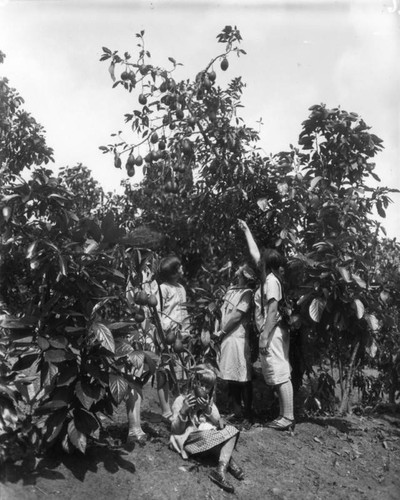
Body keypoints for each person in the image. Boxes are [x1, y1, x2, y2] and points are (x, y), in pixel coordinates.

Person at [238, 219, 295, 431]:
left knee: (279, 372)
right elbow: (255, 253)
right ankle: (284, 415)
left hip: (272, 332)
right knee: (276, 371)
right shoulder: (267, 277)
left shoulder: (271, 282)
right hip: (270, 331)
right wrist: (246, 230)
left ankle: (287, 416)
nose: (257, 261)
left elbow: (272, 311)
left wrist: (264, 337)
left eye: (261, 261)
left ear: (266, 264)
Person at [170, 364, 244, 494]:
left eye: (208, 386)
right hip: (190, 442)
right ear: (193, 382)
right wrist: (183, 411)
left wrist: (207, 409)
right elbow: (175, 430)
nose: (204, 388)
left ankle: (220, 470)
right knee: (208, 436)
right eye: (201, 384)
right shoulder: (181, 400)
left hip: (205, 443)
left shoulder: (208, 402)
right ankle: (229, 462)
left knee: (232, 430)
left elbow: (220, 423)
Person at [216, 263, 257, 427]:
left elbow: (237, 316)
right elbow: (221, 312)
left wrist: (222, 332)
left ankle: (247, 415)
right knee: (231, 375)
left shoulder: (246, 293)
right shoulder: (231, 291)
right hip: (227, 337)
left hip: (237, 337)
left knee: (242, 377)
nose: (238, 277)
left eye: (241, 275)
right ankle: (237, 412)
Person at [156, 255, 191, 421]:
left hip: (181, 335)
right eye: (181, 267)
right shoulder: (163, 288)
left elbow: (184, 311)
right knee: (164, 371)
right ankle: (166, 410)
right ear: (174, 271)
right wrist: (164, 332)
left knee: (182, 370)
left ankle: (180, 405)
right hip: (167, 335)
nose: (183, 269)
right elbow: (158, 312)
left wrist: (187, 330)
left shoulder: (181, 288)